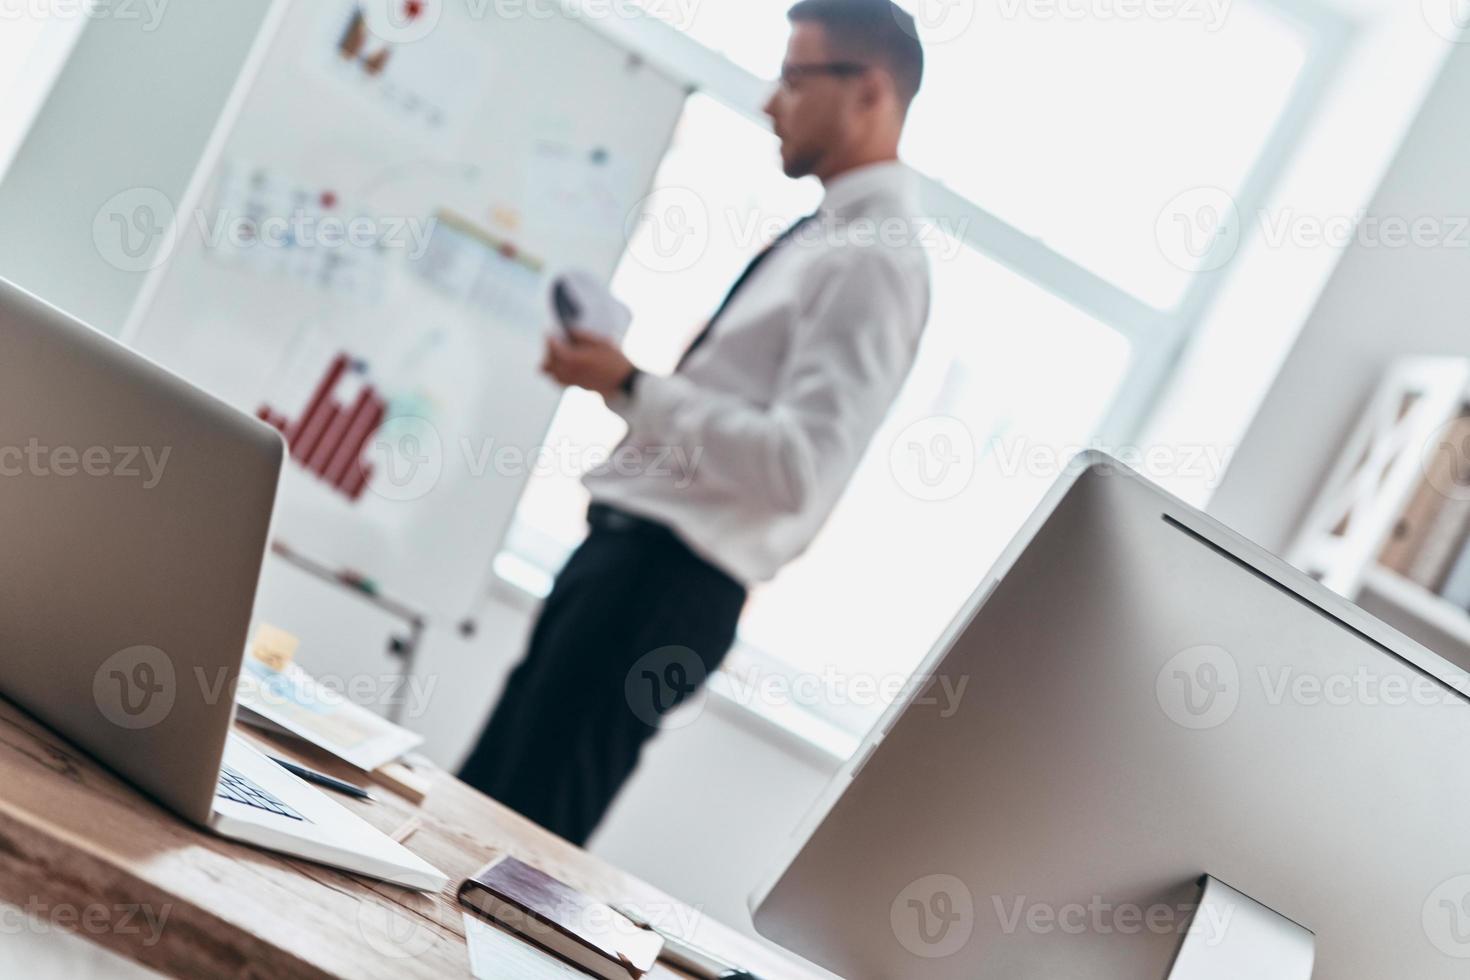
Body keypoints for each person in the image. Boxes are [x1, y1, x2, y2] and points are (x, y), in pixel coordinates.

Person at [459, 0, 932, 845]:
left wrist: (636, 385)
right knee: (482, 813)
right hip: (630, 570)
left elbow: (795, 471)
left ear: (868, 92)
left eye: (793, 78)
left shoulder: (876, 258)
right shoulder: (834, 234)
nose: (768, 102)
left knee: (510, 841)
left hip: (662, 588)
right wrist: (620, 385)